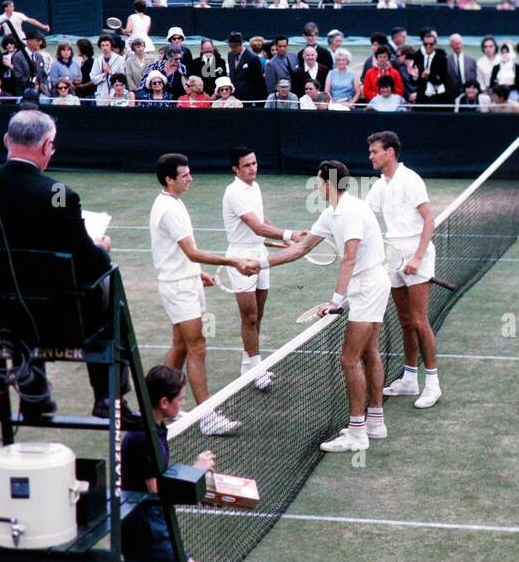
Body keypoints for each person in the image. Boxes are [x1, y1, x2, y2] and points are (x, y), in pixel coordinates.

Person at [0, 110, 125, 421]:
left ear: (8, 140)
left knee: (22, 285)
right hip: (60, 320)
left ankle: (34, 392)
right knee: (110, 286)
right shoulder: (57, 193)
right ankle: (107, 397)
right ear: (47, 146)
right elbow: (90, 265)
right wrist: (101, 247)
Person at [267, 160, 391, 452]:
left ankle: (358, 433)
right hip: (370, 285)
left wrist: (335, 302)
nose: (316, 185)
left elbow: (349, 257)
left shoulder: (348, 212)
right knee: (370, 351)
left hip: (368, 287)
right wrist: (259, 263)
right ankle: (375, 422)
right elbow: (302, 247)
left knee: (349, 359)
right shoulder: (331, 213)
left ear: (327, 183)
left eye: (318, 181)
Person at [149, 153, 258, 436]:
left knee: (181, 346)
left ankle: (155, 408)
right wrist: (233, 261)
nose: (190, 178)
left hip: (186, 281)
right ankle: (207, 417)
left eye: (189, 173)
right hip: (178, 288)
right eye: (184, 175)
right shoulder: (169, 209)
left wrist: (197, 273)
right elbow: (191, 251)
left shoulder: (173, 203)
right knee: (196, 346)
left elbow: (176, 252)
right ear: (169, 179)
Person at [120, 365, 210, 562]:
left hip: (137, 520)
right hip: (144, 524)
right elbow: (156, 490)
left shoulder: (152, 427)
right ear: (164, 402)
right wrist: (196, 472)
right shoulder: (144, 437)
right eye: (181, 399)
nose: (183, 403)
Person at [366, 132, 441, 408]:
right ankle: (410, 379)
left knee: (420, 321)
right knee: (405, 320)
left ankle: (432, 384)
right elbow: (365, 215)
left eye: (375, 151)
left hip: (415, 256)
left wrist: (418, 258)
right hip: (393, 256)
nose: (371, 156)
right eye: (371, 152)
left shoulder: (410, 180)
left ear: (390, 152)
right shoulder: (380, 185)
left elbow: (429, 220)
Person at [223, 147, 305, 390]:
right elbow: (256, 227)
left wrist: (283, 239)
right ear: (235, 169)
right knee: (249, 316)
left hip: (260, 254)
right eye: (246, 165)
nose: (253, 168)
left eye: (254, 163)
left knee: (258, 313)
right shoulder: (233, 192)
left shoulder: (254, 187)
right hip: (241, 258)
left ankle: (249, 364)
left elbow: (261, 220)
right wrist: (290, 234)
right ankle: (256, 370)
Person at [226, 32, 265, 104]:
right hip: (234, 97)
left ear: (240, 44)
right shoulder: (230, 55)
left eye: (234, 47)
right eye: (230, 46)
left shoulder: (252, 58)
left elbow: (258, 80)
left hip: (248, 98)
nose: (232, 49)